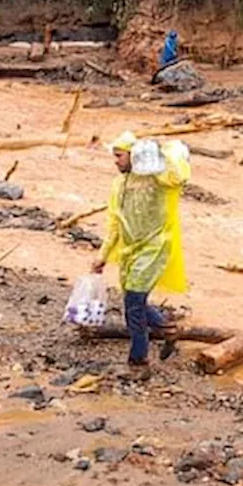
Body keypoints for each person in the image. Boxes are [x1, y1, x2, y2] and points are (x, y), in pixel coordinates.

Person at [93, 132, 189, 377]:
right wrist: (102, 255)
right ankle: (168, 329)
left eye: (119, 156)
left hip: (154, 247)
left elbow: (179, 176)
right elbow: (115, 222)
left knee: (133, 305)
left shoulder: (155, 178)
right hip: (130, 250)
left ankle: (139, 362)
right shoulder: (119, 184)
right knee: (135, 300)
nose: (116, 161)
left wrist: (161, 151)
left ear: (134, 155)